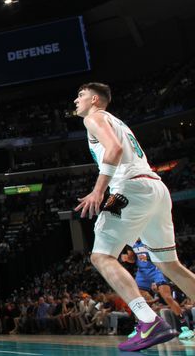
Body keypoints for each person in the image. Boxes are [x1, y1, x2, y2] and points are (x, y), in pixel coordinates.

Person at [73, 82, 195, 351]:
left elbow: (114, 150)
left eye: (80, 96)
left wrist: (98, 190)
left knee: (101, 256)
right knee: (169, 264)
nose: (75, 101)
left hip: (126, 190)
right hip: (156, 189)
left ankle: (147, 320)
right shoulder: (118, 121)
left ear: (95, 99)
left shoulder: (94, 118)